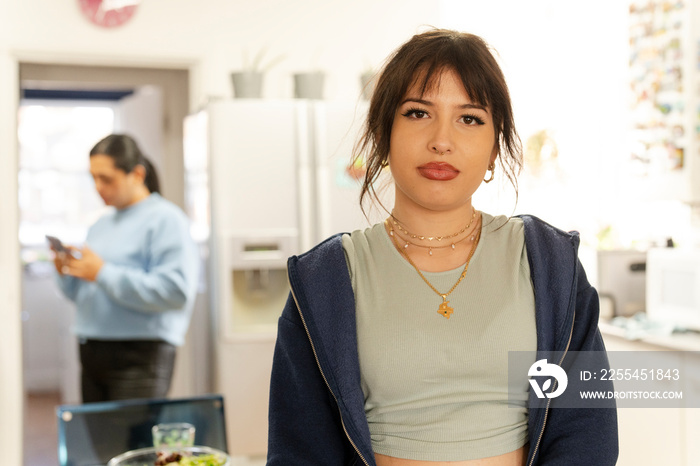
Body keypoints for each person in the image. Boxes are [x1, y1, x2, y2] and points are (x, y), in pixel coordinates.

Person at [266, 29, 618, 465]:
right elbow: (299, 451)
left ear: (495, 147)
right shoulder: (324, 279)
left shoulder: (549, 263)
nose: (442, 140)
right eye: (417, 113)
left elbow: (588, 431)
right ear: (382, 132)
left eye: (469, 118)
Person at [52, 134, 199, 403]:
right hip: (92, 349)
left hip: (139, 355)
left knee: (133, 443)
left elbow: (176, 292)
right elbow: (83, 295)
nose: (98, 187)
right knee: (101, 445)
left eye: (106, 178)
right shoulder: (100, 225)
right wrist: (67, 272)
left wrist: (102, 272)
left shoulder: (166, 220)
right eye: (93, 178)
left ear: (137, 174)